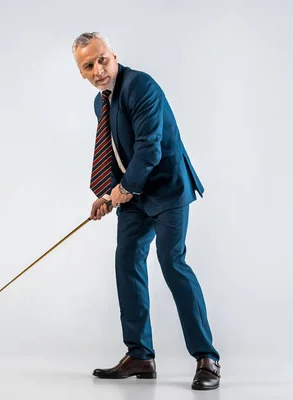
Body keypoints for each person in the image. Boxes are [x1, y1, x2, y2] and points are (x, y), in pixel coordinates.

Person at [72, 32, 221, 390]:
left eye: (102, 59)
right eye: (88, 65)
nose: (98, 69)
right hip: (134, 196)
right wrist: (108, 194)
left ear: (114, 54)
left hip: (168, 188)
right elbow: (118, 152)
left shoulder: (142, 87)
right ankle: (140, 355)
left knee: (172, 263)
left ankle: (207, 358)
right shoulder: (101, 103)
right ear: (82, 73)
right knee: (127, 261)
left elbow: (149, 150)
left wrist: (122, 191)